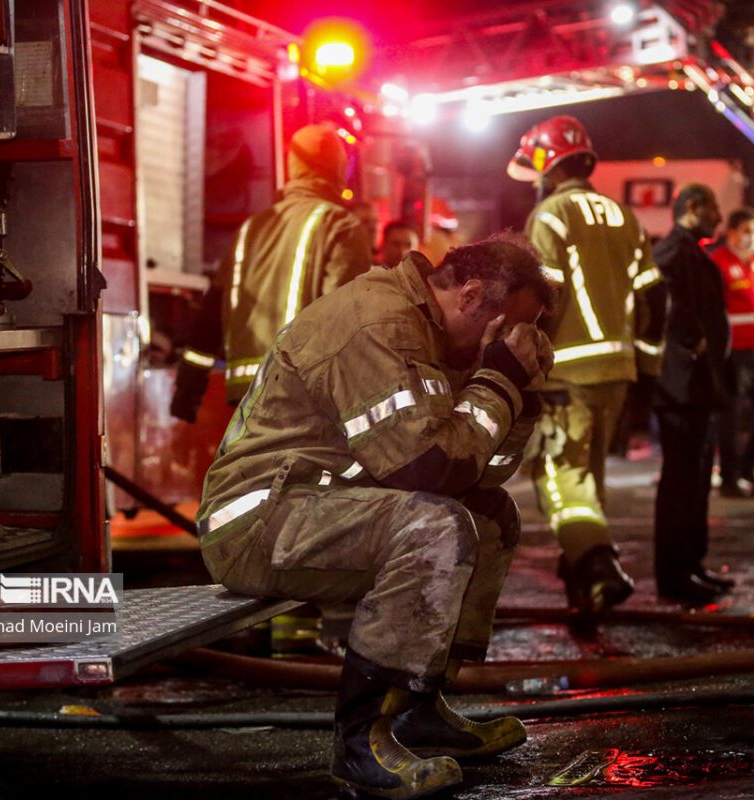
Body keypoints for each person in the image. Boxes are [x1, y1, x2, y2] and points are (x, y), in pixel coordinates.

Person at [197, 235, 555, 798]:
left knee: (489, 515)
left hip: (318, 504)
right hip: (258, 519)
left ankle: (418, 708)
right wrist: (497, 381)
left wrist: (520, 395)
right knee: (435, 528)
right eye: (509, 327)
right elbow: (430, 472)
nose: (515, 341)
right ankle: (361, 745)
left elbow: (480, 475)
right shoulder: (380, 326)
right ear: (472, 295)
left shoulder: (436, 335)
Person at [508, 115, 665, 619]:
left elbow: (543, 298)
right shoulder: (624, 215)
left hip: (566, 376)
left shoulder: (551, 215)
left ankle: (599, 565)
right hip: (617, 371)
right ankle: (582, 582)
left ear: (545, 161)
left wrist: (528, 366)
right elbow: (655, 298)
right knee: (589, 476)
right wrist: (646, 363)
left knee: (558, 475)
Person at [171, 123, 372, 420]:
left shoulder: (251, 228)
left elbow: (211, 312)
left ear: (294, 167)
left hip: (247, 395)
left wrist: (188, 390)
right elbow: (344, 319)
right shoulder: (340, 226)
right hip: (304, 399)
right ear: (338, 169)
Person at [652, 183, 735, 604]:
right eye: (715, 207)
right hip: (681, 388)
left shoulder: (691, 252)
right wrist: (690, 339)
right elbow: (662, 300)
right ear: (694, 207)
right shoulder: (673, 252)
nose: (719, 217)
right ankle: (675, 575)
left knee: (697, 480)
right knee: (682, 483)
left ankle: (692, 565)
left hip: (697, 386)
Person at [708, 207, 754, 495]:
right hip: (733, 353)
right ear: (731, 232)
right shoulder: (717, 263)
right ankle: (729, 479)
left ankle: (747, 466)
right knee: (731, 417)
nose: (752, 238)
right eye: (746, 231)